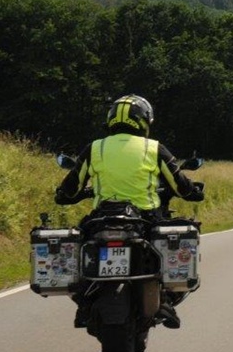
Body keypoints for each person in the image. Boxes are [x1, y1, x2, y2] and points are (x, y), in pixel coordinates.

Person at [55, 94, 204, 329]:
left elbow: (70, 189)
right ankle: (165, 299)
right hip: (145, 219)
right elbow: (180, 185)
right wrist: (192, 191)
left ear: (112, 119)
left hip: (101, 220)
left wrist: (65, 195)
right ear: (145, 121)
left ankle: (84, 302)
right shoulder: (154, 149)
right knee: (167, 246)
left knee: (79, 250)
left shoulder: (95, 148)